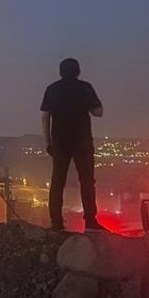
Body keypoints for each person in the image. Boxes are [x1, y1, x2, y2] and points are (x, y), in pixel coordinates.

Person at [41, 58, 104, 232]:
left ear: (60, 72)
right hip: (82, 142)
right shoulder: (85, 88)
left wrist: (48, 143)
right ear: (78, 71)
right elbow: (98, 112)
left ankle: (56, 223)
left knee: (57, 181)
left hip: (60, 142)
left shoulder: (52, 89)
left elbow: (45, 117)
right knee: (86, 181)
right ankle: (91, 222)